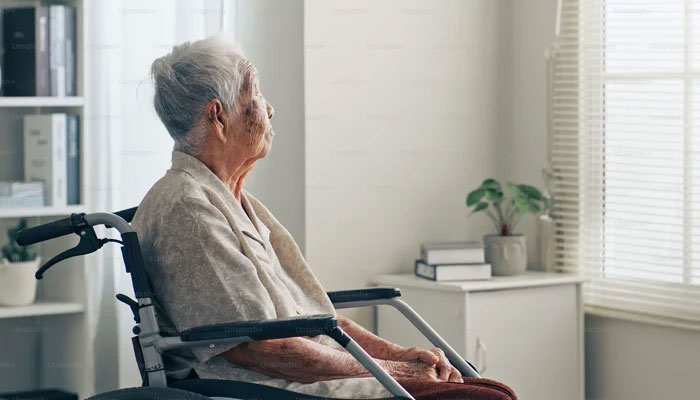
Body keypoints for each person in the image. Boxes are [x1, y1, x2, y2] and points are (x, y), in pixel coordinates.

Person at [132, 34, 515, 400]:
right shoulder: (188, 208)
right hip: (265, 386)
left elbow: (317, 319)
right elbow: (260, 349)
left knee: (489, 391)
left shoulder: (230, 198)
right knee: (483, 398)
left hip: (299, 373)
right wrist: (395, 371)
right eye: (257, 93)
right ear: (218, 116)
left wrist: (402, 356)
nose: (269, 109)